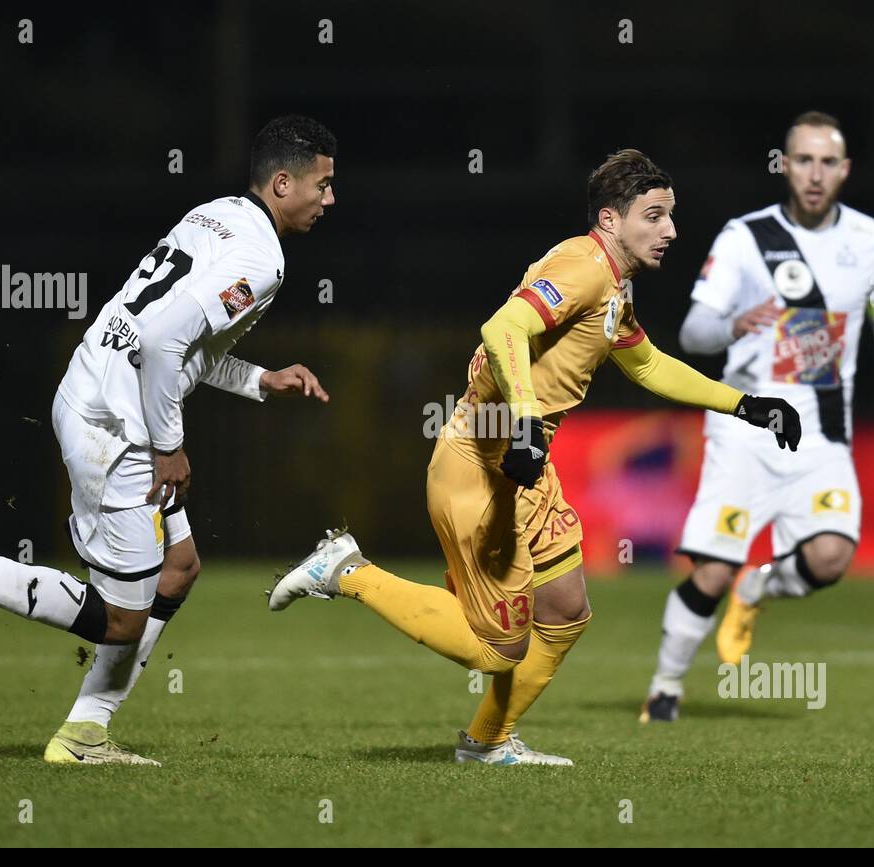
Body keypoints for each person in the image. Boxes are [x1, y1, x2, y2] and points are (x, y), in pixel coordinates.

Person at [269, 148, 800, 764]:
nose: (670, 231)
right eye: (653, 216)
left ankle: (487, 743)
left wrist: (745, 405)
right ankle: (345, 571)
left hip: (523, 464)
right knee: (497, 650)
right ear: (610, 219)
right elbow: (502, 329)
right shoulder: (582, 266)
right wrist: (525, 422)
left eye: (671, 216)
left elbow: (647, 364)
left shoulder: (611, 282)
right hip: (481, 462)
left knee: (566, 610)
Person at [0, 115, 337, 765]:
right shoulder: (262, 259)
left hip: (98, 390)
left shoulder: (214, 215)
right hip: (116, 425)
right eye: (323, 185)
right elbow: (164, 342)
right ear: (283, 183)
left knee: (181, 565)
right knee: (119, 620)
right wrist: (169, 444)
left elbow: (177, 341)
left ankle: (86, 731)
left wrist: (261, 378)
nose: (329, 200)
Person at [640, 111, 874, 723]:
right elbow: (693, 331)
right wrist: (735, 323)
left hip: (821, 431)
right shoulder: (745, 238)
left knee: (830, 558)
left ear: (844, 170)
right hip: (746, 424)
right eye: (802, 160)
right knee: (711, 570)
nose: (814, 174)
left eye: (826, 162)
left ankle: (760, 585)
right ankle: (664, 689)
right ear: (784, 164)